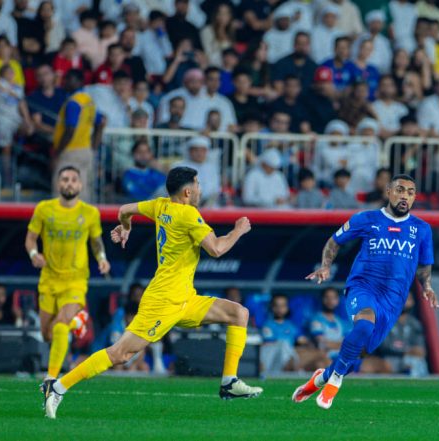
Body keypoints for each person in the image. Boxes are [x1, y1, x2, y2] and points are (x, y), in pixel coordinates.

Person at [42, 167, 263, 418]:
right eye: (198, 185)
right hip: (164, 300)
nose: (201, 189)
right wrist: (238, 230)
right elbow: (216, 249)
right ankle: (57, 387)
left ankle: (229, 382)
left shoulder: (160, 205)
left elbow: (124, 210)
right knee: (120, 353)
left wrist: (126, 227)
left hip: (185, 298)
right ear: (188, 191)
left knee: (238, 313)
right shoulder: (188, 214)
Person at [292, 174, 438, 409]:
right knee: (364, 322)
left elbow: (424, 265)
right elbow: (334, 241)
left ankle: (319, 379)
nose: (405, 196)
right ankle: (334, 382)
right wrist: (326, 266)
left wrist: (427, 286)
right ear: (388, 192)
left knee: (356, 353)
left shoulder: (422, 229)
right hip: (363, 286)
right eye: (400, 190)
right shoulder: (366, 218)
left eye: (411, 192)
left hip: (393, 299)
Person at [27, 165, 110, 399]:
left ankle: (50, 380)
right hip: (49, 280)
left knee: (60, 325)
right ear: (58, 183)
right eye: (65, 179)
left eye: (74, 179)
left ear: (80, 185)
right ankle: (80, 323)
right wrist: (34, 255)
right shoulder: (44, 209)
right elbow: (30, 239)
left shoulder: (90, 212)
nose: (69, 183)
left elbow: (96, 242)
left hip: (75, 281)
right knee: (47, 334)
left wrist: (102, 259)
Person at [53, 69, 105, 202]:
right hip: (86, 151)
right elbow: (101, 122)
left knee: (64, 192)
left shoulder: (73, 102)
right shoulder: (89, 101)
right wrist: (93, 147)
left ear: (79, 82)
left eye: (68, 79)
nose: (65, 82)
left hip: (70, 152)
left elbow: (70, 129)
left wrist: (58, 151)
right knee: (82, 191)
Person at [363, 293, 427, 377]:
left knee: (417, 362)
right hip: (386, 358)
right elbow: (384, 346)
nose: (405, 301)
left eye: (408, 299)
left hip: (407, 358)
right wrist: (407, 349)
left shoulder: (415, 324)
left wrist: (409, 351)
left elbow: (420, 350)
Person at [171, 136, 221, 207]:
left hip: (210, 204)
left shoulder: (212, 167)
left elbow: (215, 189)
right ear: (190, 151)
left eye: (202, 150)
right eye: (196, 150)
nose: (199, 153)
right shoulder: (180, 166)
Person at [309, 288, 350, 362]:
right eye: (327, 297)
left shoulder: (341, 322)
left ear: (337, 300)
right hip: (325, 359)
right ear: (322, 299)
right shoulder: (316, 319)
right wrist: (341, 345)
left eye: (333, 298)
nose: (330, 301)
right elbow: (322, 344)